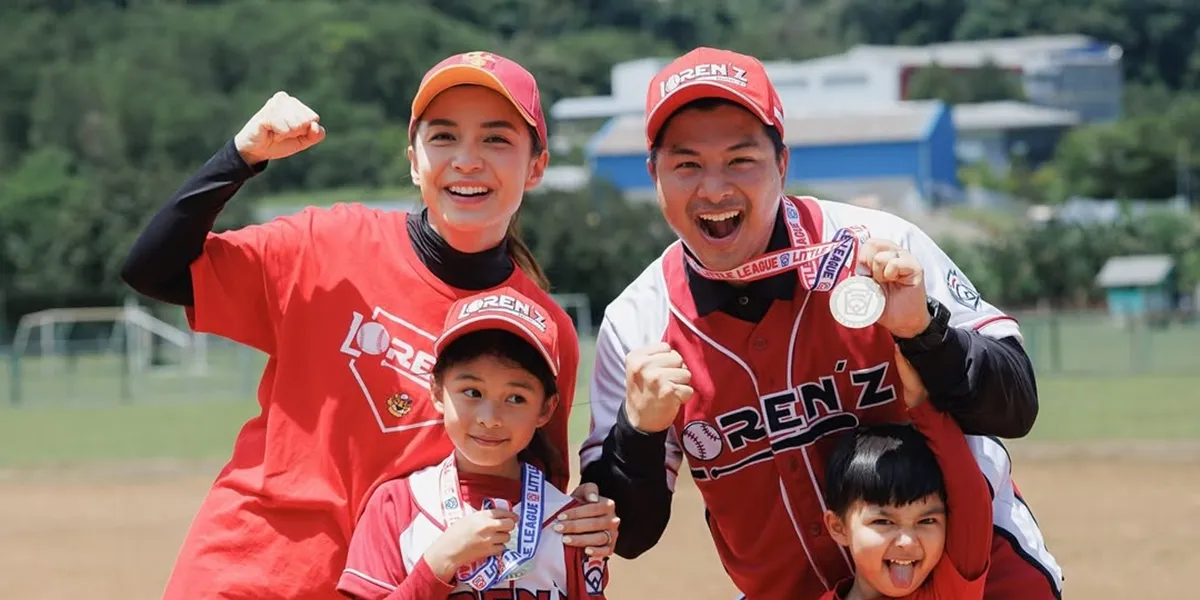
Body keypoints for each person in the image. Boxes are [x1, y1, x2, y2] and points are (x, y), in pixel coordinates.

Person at [119, 51, 618, 600]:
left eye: (496, 139)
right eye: (444, 137)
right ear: (413, 159)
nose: (467, 160)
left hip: (396, 586)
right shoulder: (327, 245)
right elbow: (153, 270)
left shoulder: (540, 329)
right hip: (249, 574)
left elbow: (530, 490)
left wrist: (588, 519)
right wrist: (241, 155)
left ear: (536, 166)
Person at [577, 46, 1063, 600]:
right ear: (654, 175)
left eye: (741, 160)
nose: (713, 189)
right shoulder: (636, 321)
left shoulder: (879, 249)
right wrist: (638, 434)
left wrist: (924, 332)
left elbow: (1017, 403)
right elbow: (628, 535)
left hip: (974, 582)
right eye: (686, 164)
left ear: (782, 163)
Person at [337, 287, 609, 600]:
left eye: (516, 398)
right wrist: (441, 561)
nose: (490, 418)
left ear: (546, 409)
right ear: (437, 391)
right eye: (472, 392)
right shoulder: (396, 505)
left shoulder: (569, 521)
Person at [817, 350, 992, 600]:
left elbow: (970, 499)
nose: (907, 542)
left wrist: (921, 403)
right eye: (884, 522)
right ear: (838, 526)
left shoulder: (947, 593)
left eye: (927, 521)